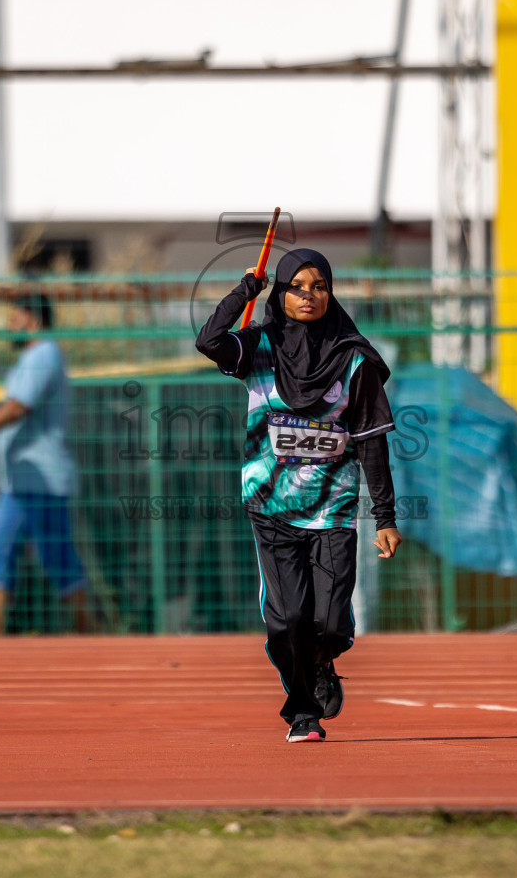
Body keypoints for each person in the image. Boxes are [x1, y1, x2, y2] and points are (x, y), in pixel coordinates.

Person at [195, 248, 403, 743]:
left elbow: (373, 441)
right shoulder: (258, 347)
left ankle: (325, 661)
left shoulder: (355, 361)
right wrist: (245, 290)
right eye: (297, 287)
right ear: (281, 293)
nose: (309, 296)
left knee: (328, 625)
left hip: (333, 510)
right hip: (271, 507)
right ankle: (303, 712)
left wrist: (387, 516)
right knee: (289, 622)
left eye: (320, 286)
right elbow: (209, 341)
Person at [0, 294, 89, 635]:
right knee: (1, 545)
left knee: (55, 555)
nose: (9, 326)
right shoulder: (28, 358)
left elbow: (18, 407)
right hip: (19, 483)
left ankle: (88, 630)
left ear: (32, 319)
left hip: (43, 481)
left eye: (14, 318)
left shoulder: (44, 353)